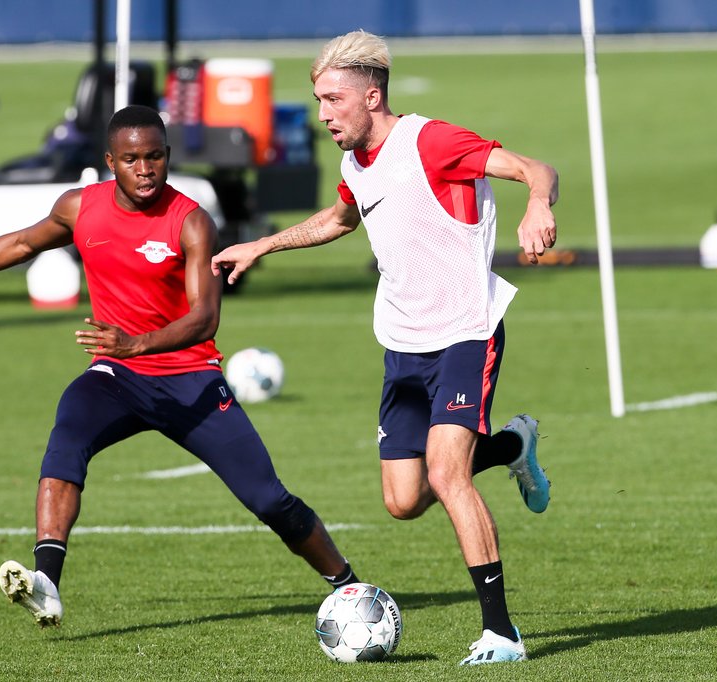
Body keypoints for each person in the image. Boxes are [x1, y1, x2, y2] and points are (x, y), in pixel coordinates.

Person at [0, 105, 360, 628]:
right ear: (110, 161)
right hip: (118, 377)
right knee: (67, 437)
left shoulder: (192, 221)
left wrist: (136, 343)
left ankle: (348, 585)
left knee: (268, 500)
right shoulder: (79, 207)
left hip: (191, 382)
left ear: (168, 156)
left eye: (155, 156)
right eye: (131, 159)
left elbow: (204, 318)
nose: (145, 169)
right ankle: (47, 583)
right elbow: (19, 245)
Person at [211, 30, 556, 665]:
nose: (323, 114)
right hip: (403, 344)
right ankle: (512, 446)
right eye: (319, 101)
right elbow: (340, 219)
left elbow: (537, 169)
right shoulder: (355, 162)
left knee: (447, 474)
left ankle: (502, 633)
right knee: (403, 500)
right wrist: (263, 245)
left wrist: (537, 203)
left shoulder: (431, 141)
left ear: (372, 96)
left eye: (333, 100)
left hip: (466, 331)